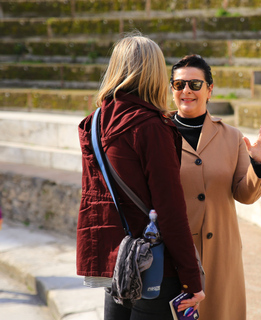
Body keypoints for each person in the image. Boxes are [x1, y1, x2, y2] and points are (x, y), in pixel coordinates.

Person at [76, 34, 204, 320]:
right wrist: (191, 279)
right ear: (155, 73)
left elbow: (94, 199)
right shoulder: (151, 128)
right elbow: (170, 210)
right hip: (154, 265)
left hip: (118, 261)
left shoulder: (94, 122)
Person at [170, 54, 261, 319]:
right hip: (176, 252)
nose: (186, 91)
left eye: (195, 84)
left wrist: (259, 164)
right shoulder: (159, 133)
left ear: (209, 90)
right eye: (179, 85)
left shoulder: (230, 136)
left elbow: (245, 194)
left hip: (222, 252)